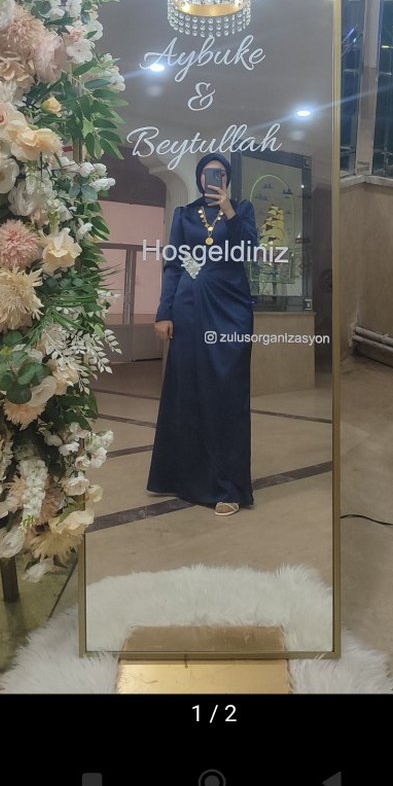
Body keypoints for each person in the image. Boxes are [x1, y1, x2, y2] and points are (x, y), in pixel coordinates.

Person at [147, 153, 258, 515]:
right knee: (186, 389)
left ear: (227, 179)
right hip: (189, 308)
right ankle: (179, 477)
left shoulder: (243, 210)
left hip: (230, 309)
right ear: (199, 178)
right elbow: (174, 265)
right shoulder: (184, 214)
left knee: (226, 392)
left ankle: (228, 487)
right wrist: (165, 312)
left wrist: (228, 209)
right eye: (209, 173)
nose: (214, 177)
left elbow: (250, 250)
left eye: (220, 173)